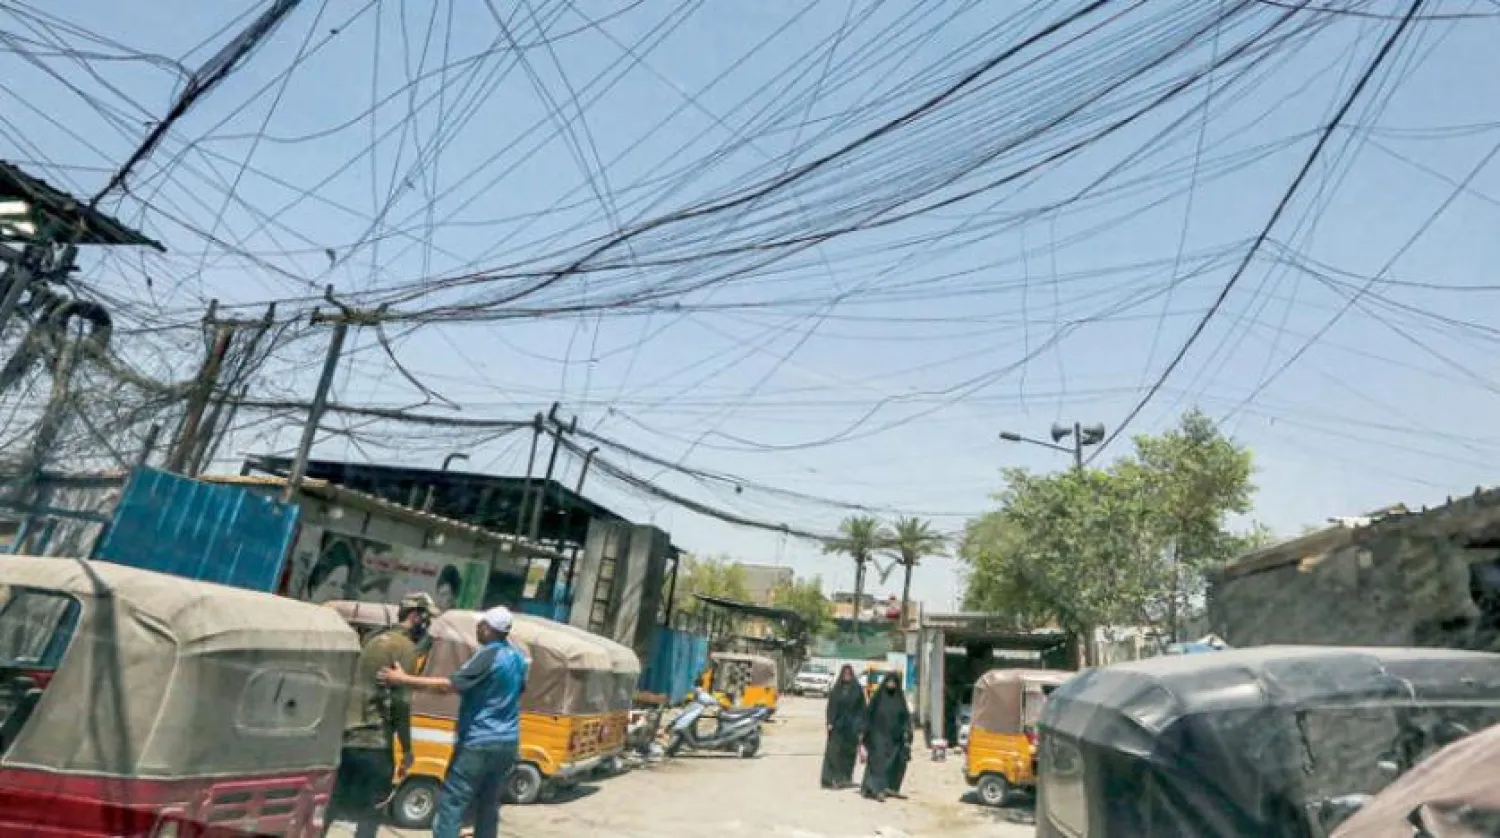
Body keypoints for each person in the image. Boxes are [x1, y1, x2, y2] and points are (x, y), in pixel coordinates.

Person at [379, 605, 528, 838]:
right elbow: (516, 692)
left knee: (452, 802)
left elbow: (449, 685)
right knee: (488, 803)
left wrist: (403, 679)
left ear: (488, 630)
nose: (477, 629)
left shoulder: (488, 655)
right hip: (508, 742)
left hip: (479, 742)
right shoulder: (518, 658)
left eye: (480, 626)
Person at [326, 592, 438, 838]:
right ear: (416, 616)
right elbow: (401, 705)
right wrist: (408, 749)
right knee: (370, 813)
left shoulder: (372, 640)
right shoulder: (405, 649)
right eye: (426, 619)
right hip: (374, 743)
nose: (427, 627)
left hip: (346, 738)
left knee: (332, 806)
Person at [860, 671, 913, 802]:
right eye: (889, 681)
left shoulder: (900, 700)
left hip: (895, 738)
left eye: (893, 682)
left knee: (894, 763)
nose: (891, 684)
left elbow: (906, 718)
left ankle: (890, 788)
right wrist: (864, 733)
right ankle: (876, 790)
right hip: (877, 736)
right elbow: (868, 715)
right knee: (878, 763)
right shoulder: (878, 698)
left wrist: (907, 732)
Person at [821, 665, 866, 789]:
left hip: (852, 727)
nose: (847, 676)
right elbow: (830, 707)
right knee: (833, 753)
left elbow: (862, 709)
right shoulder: (836, 689)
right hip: (837, 726)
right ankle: (829, 779)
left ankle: (844, 778)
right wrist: (829, 722)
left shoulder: (857, 690)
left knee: (848, 754)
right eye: (845, 673)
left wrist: (861, 727)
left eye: (849, 674)